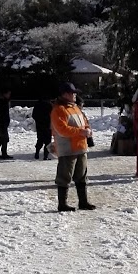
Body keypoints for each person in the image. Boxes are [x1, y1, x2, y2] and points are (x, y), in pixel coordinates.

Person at [50, 82, 95, 212]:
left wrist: (87, 130)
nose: (75, 95)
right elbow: (62, 130)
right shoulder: (58, 110)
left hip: (80, 147)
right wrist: (81, 132)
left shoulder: (75, 108)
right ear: (64, 94)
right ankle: (62, 204)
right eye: (72, 93)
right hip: (67, 149)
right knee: (64, 177)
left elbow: (84, 123)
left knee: (81, 176)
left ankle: (83, 202)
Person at [31, 95, 53, 160]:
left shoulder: (37, 104)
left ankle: (37, 152)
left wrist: (38, 121)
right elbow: (53, 115)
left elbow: (33, 115)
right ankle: (45, 156)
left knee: (40, 139)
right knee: (48, 141)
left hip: (39, 125)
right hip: (47, 125)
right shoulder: (50, 105)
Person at [0, 88, 12, 159]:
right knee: (4, 138)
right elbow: (0, 114)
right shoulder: (2, 102)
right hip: (2, 123)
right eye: (8, 94)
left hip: (3, 123)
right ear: (4, 94)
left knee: (2, 138)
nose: (9, 95)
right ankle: (3, 153)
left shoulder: (4, 101)